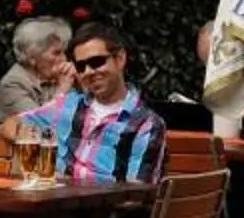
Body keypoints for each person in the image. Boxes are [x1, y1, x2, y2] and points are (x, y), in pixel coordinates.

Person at [15, 20, 166, 183]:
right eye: (81, 66)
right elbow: (10, 125)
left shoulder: (145, 123)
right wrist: (45, 143)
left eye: (96, 62)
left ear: (120, 59)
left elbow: (138, 192)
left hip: (106, 198)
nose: (88, 72)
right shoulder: (67, 105)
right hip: (56, 195)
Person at [0, 17, 74, 132]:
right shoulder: (13, 83)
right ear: (32, 56)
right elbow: (40, 124)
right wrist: (63, 89)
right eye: (56, 53)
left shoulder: (55, 78)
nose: (64, 59)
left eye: (64, 52)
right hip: (0, 143)